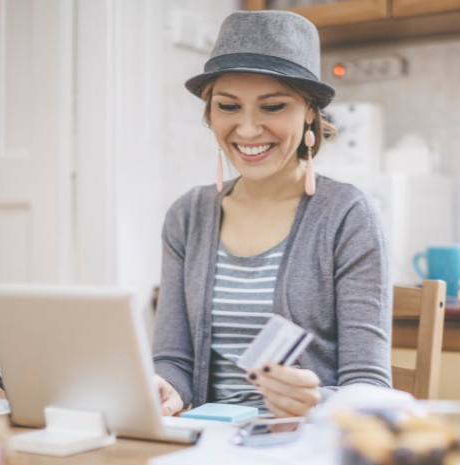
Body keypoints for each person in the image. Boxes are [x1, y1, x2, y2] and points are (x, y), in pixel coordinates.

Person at [152, 10, 391, 418]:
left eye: (273, 106)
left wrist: (316, 401)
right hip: (207, 449)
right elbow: (174, 361)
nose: (246, 130)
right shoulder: (187, 216)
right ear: (210, 114)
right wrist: (164, 387)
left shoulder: (349, 216)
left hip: (305, 450)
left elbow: (368, 386)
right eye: (228, 106)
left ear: (310, 112)